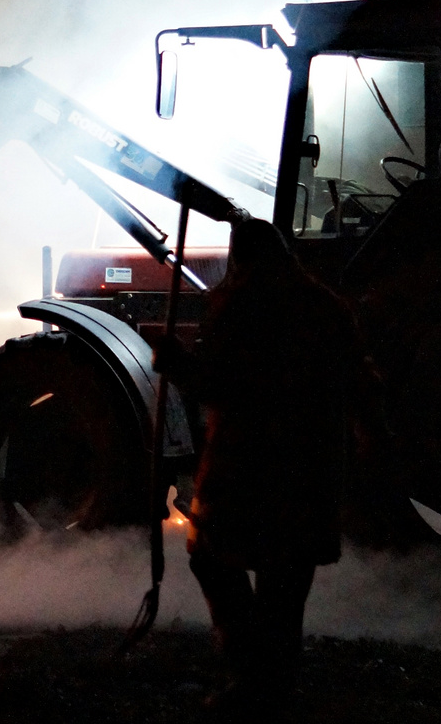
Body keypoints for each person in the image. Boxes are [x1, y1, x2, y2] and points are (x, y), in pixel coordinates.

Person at [158, 218, 358, 715]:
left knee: (210, 558)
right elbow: (357, 378)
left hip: (249, 472)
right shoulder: (326, 305)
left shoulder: (242, 304)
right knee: (285, 588)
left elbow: (218, 384)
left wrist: (173, 361)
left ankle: (248, 675)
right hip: (312, 477)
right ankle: (275, 688)